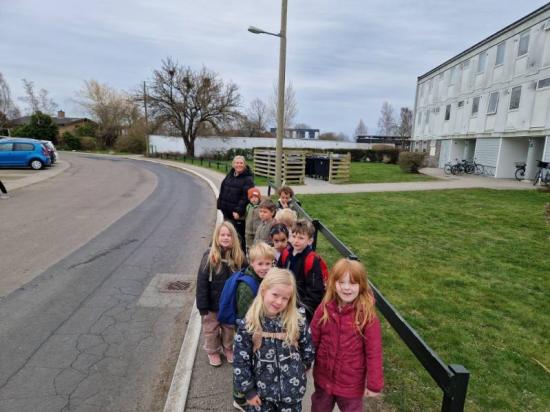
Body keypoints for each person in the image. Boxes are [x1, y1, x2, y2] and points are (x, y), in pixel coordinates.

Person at [233, 268, 315, 412]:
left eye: (285, 298)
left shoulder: (297, 320)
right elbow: (241, 361)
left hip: (292, 393)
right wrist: (249, 391)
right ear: (264, 290)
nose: (279, 302)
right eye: (275, 295)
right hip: (261, 395)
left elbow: (307, 349)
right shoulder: (250, 324)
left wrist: (301, 367)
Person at [310, 259, 384, 412]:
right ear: (333, 283)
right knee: (319, 408)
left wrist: (374, 384)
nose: (346, 288)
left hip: (351, 384)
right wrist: (303, 362)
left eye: (352, 283)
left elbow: (374, 351)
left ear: (361, 285)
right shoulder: (325, 308)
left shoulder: (367, 316)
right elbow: (312, 338)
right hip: (323, 377)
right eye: (341, 282)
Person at [232, 242, 276, 411]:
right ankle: (239, 398)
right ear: (252, 263)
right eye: (260, 264)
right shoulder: (247, 286)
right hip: (247, 332)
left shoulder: (263, 279)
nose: (264, 268)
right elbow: (245, 316)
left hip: (256, 329)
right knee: (243, 365)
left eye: (268, 263)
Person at [196, 221, 246, 367]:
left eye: (229, 235)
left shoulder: (239, 257)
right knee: (211, 330)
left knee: (229, 329)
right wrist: (202, 306)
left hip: (230, 304)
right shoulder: (210, 257)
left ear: (234, 238)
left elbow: (247, 275)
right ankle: (213, 351)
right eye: (222, 235)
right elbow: (202, 283)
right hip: (212, 305)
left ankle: (228, 348)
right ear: (217, 237)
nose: (225, 237)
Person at [278, 219, 327, 323]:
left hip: (300, 308)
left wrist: (301, 312)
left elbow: (315, 293)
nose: (296, 241)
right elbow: (277, 274)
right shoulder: (286, 253)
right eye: (293, 236)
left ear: (310, 241)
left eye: (301, 238)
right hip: (283, 300)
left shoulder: (312, 261)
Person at [217, 155, 255, 250]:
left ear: (244, 165)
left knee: (238, 239)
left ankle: (240, 257)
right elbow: (223, 189)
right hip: (227, 213)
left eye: (241, 163)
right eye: (237, 163)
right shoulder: (230, 175)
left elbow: (246, 197)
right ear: (233, 164)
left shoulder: (248, 179)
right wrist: (220, 204)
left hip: (237, 215)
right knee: (227, 237)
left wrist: (238, 211)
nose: (239, 165)